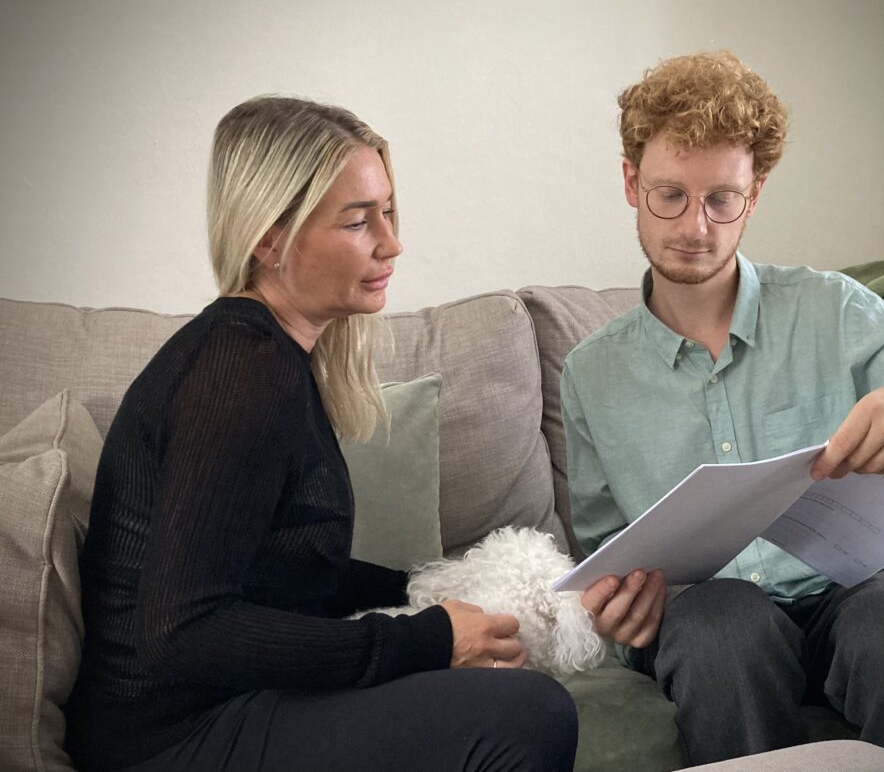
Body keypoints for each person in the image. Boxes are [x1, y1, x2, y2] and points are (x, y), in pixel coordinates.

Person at [65, 96, 578, 772]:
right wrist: (425, 643)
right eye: (358, 221)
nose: (392, 244)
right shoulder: (240, 373)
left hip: (222, 706)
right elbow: (180, 630)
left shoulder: (270, 356)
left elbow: (289, 574)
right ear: (270, 239)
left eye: (388, 212)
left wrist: (442, 595)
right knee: (528, 714)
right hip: (171, 737)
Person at [561, 51, 884, 771]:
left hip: (860, 594)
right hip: (712, 618)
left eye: (722, 199)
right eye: (669, 195)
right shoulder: (592, 374)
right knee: (719, 623)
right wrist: (622, 617)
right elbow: (607, 556)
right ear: (631, 182)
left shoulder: (834, 309)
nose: (696, 225)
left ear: (755, 193)